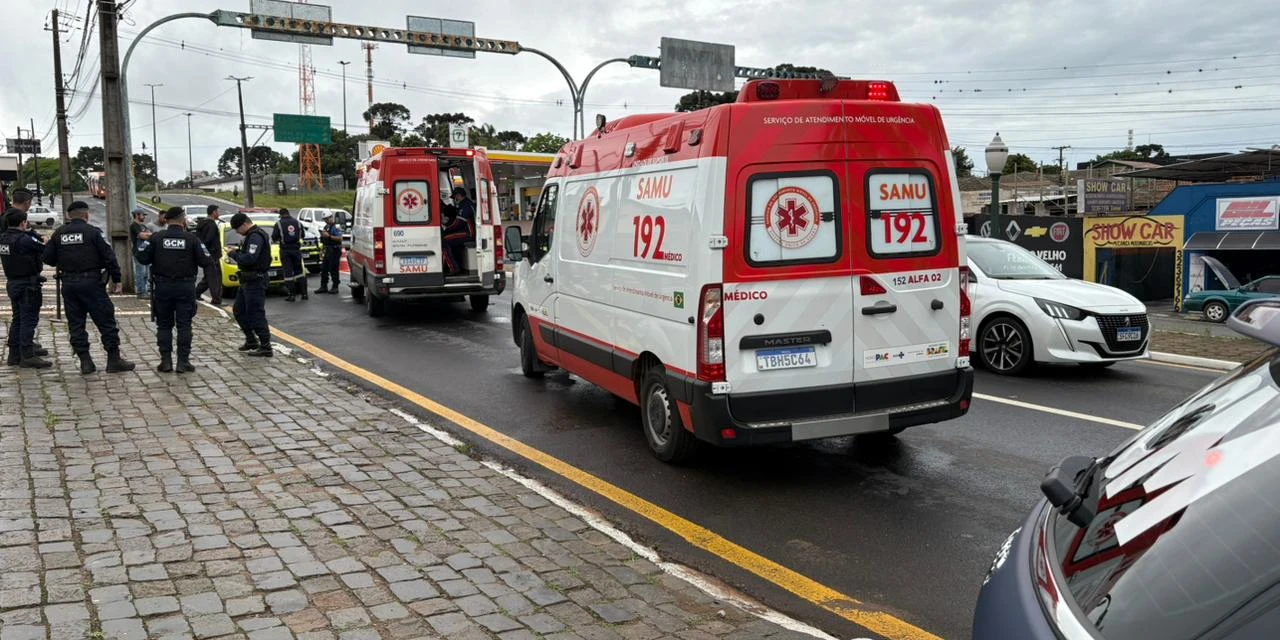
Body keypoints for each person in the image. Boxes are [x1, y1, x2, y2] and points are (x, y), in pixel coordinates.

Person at [42, 200, 136, 374]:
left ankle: (85, 361)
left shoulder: (59, 233)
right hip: (92, 283)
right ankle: (113, 360)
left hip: (69, 284)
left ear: (70, 216)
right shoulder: (93, 233)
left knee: (76, 323)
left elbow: (47, 258)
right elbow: (109, 257)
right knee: (106, 321)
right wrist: (116, 279)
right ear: (86, 215)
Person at [135, 207, 211, 373]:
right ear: (183, 220)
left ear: (167, 220)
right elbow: (206, 260)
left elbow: (141, 256)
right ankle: (183, 362)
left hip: (163, 286)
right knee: (184, 325)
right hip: (185, 287)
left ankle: (166, 361)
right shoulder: (191, 239)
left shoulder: (156, 237)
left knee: (164, 325)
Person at [1, 208, 50, 368]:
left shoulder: (3, 239)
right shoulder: (24, 240)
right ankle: (27, 355)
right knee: (28, 320)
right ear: (23, 223)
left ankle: (14, 355)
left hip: (13, 282)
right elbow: (44, 249)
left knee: (18, 319)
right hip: (27, 284)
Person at [226, 212, 273, 357]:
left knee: (255, 313)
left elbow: (250, 259)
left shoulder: (255, 236)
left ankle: (266, 346)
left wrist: (233, 254)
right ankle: (251, 340)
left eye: (237, 229)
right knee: (239, 310)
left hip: (255, 280)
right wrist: (238, 251)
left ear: (245, 224)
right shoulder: (252, 235)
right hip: (247, 280)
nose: (237, 233)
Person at [272, 207, 307, 302]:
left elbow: (274, 237)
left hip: (285, 250)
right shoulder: (297, 223)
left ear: (281, 215)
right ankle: (304, 294)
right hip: (296, 249)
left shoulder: (278, 224)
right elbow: (303, 235)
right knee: (299, 272)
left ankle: (292, 295)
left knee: (288, 273)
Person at [194, 204, 224, 305]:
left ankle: (195, 293)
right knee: (215, 278)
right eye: (217, 211)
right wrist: (211, 252)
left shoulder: (202, 223)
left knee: (208, 277)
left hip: (206, 255)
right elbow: (209, 240)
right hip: (212, 255)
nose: (218, 214)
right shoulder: (211, 225)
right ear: (214, 212)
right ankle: (216, 299)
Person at [315, 212, 343, 294]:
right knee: (324, 269)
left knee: (333, 269)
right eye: (325, 219)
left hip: (334, 250)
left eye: (327, 219)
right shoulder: (326, 226)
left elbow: (340, 238)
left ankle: (335, 286)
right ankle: (323, 286)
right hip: (327, 250)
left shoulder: (336, 227)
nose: (326, 221)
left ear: (331, 217)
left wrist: (329, 236)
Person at [128, 208, 153, 299]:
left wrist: (148, 234)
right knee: (140, 273)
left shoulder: (144, 226)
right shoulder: (134, 225)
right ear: (137, 215)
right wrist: (149, 235)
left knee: (146, 273)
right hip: (138, 252)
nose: (144, 217)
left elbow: (149, 235)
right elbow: (142, 235)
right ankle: (141, 292)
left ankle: (145, 290)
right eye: (143, 215)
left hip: (145, 252)